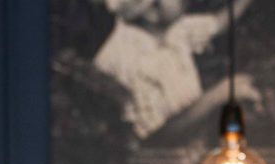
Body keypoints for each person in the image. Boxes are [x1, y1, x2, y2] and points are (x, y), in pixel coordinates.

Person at [92, 0, 257, 142]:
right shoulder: (124, 62)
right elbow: (155, 141)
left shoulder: (172, 29)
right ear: (151, 11)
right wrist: (220, 94)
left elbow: (218, 23)